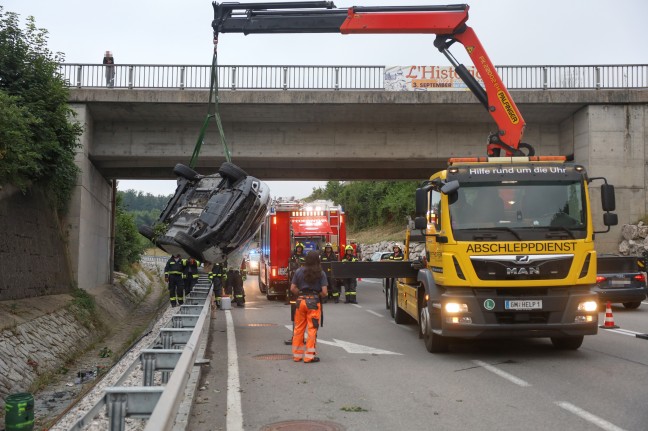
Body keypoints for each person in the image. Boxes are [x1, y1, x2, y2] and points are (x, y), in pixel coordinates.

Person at [290, 250, 328, 363]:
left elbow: (292, 288)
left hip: (300, 301)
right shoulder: (321, 273)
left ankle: (297, 356)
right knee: (312, 329)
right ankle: (309, 356)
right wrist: (317, 296)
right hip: (313, 303)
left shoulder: (298, 271)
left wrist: (301, 295)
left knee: (298, 328)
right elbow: (325, 292)